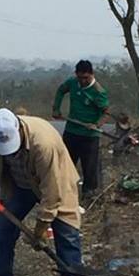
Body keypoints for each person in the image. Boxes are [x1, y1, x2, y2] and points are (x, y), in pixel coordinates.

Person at [0, 108, 89, 276]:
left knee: (67, 236)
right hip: (19, 185)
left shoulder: (44, 144)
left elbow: (52, 191)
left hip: (56, 182)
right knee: (2, 233)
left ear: (19, 130)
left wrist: (41, 227)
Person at [52, 59, 109, 197]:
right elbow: (61, 90)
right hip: (72, 131)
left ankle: (88, 194)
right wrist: (56, 109)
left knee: (89, 168)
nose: (82, 81)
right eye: (80, 77)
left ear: (92, 74)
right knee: (65, 163)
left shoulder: (98, 92)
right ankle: (64, 193)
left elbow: (106, 113)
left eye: (85, 78)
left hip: (90, 136)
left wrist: (96, 125)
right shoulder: (72, 83)